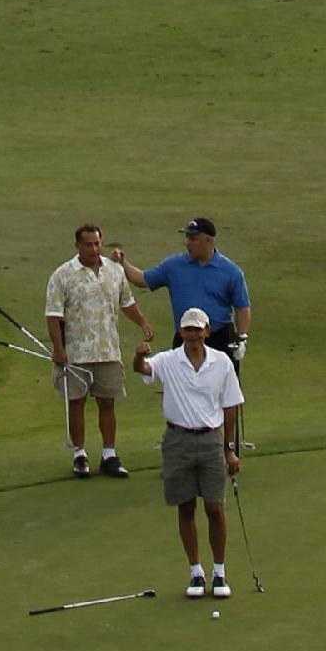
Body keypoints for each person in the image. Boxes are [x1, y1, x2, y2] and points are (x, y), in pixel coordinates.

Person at [134, 307, 244, 598]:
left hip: (210, 440)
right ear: (181, 332)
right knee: (185, 506)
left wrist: (229, 450)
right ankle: (196, 572)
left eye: (198, 329)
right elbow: (144, 369)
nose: (193, 334)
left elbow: (230, 405)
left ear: (207, 331)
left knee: (215, 507)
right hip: (177, 440)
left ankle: (219, 572)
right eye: (188, 329)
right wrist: (138, 356)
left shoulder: (222, 362)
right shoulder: (169, 360)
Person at [43, 223, 149, 479]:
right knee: (76, 404)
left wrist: (143, 322)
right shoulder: (63, 275)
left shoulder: (114, 271)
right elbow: (53, 316)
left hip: (108, 351)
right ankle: (79, 454)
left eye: (97, 243)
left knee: (107, 404)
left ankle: (109, 455)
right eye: (88, 244)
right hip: (75, 353)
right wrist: (58, 349)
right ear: (77, 245)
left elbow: (127, 302)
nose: (93, 248)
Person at [117, 216, 251, 366]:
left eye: (193, 239)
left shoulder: (231, 272)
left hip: (219, 338)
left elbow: (241, 307)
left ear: (209, 240)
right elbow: (142, 280)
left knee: (223, 387)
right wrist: (123, 263)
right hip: (185, 337)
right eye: (187, 238)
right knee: (181, 385)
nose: (188, 243)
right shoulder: (174, 266)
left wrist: (241, 338)